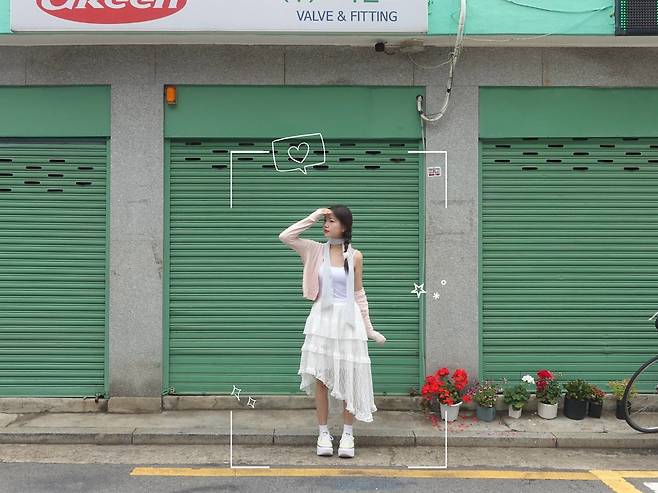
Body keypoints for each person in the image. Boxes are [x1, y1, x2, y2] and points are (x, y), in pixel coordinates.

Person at [278, 205, 387, 459]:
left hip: (348, 321)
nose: (326, 225)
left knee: (349, 377)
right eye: (325, 221)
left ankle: (348, 434)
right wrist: (313, 216)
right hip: (322, 320)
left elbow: (359, 294)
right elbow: (286, 236)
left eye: (332, 221)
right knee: (321, 379)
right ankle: (323, 433)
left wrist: (369, 329)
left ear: (345, 226)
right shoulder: (315, 250)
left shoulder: (355, 256)